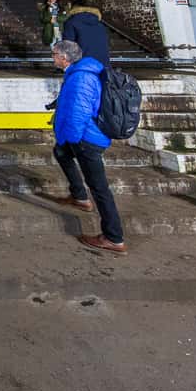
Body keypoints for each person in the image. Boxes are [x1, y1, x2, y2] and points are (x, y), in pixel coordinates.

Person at [49, 40, 126, 255]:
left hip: (86, 139)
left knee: (100, 188)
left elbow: (79, 113)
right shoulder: (76, 72)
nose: (53, 58)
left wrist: (71, 139)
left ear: (64, 57)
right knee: (60, 152)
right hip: (81, 136)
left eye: (54, 54)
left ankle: (113, 237)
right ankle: (79, 196)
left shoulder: (81, 78)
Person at [62, 0, 110, 66]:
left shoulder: (71, 22)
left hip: (82, 66)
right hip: (103, 65)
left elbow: (67, 46)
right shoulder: (100, 24)